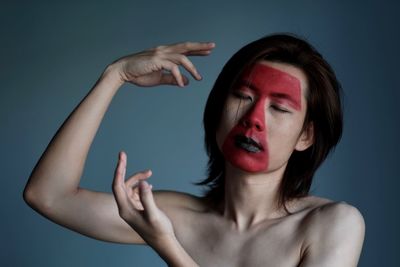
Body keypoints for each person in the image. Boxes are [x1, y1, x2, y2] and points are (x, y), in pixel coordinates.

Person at [23, 33, 365, 266]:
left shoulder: (332, 224)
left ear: (306, 136)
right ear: (218, 109)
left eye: (279, 108)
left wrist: (168, 246)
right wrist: (115, 76)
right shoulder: (175, 217)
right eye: (243, 96)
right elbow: (48, 195)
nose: (253, 119)